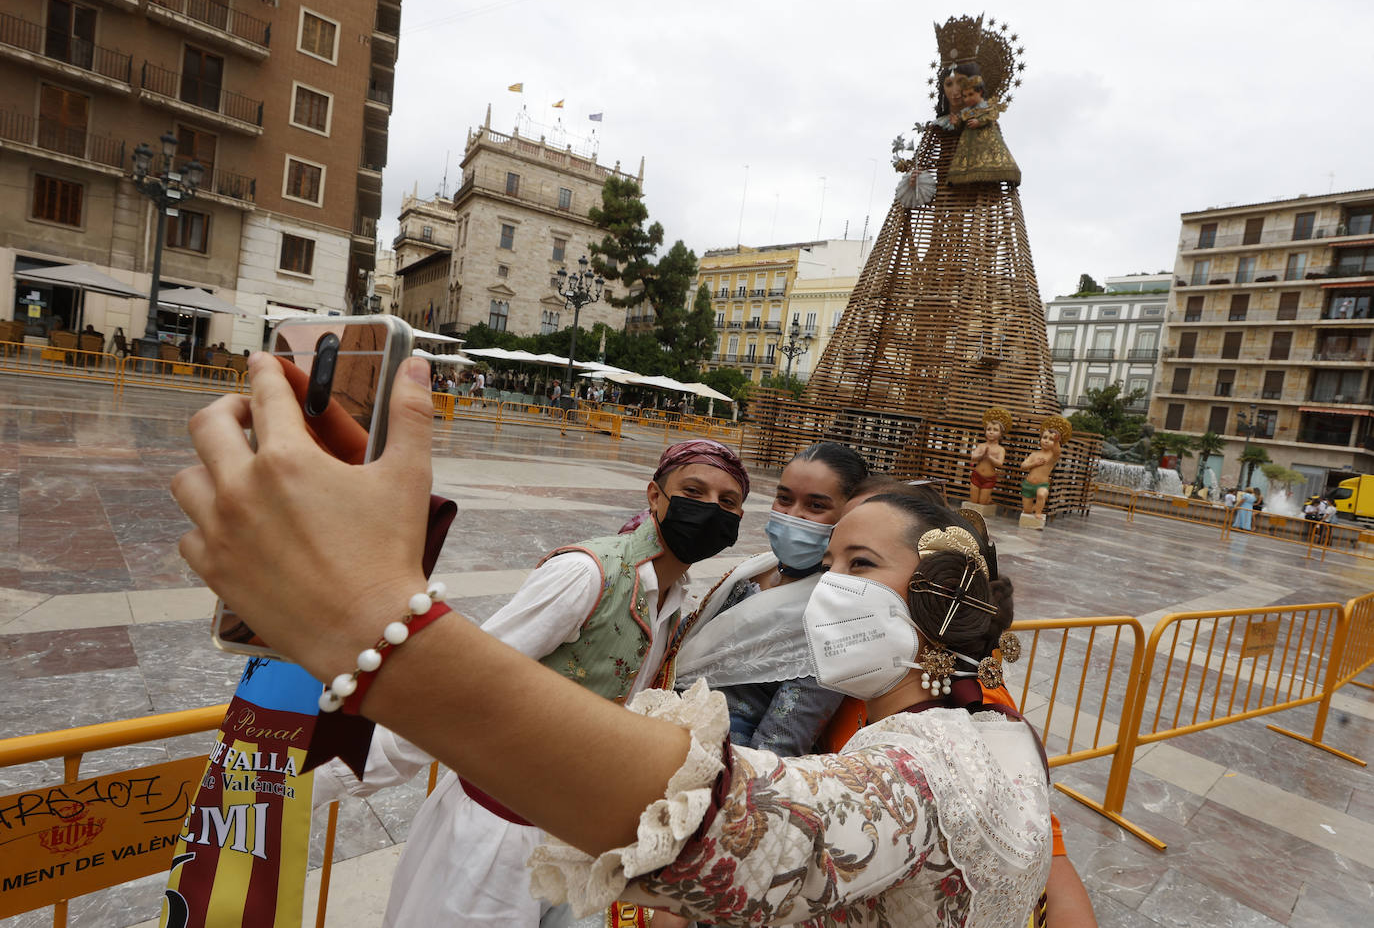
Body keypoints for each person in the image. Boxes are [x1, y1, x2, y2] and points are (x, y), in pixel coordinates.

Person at [172, 355, 1051, 927]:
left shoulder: (913, 770)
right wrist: (319, 772)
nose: (832, 587)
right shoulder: (1001, 734)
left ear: (942, 596)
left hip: (555, 828)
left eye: (857, 559)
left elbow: (724, 824)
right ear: (657, 492)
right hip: (502, 824)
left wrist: (374, 623)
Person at [310, 435, 749, 925]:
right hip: (493, 834)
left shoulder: (673, 601)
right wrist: (324, 778)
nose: (711, 509)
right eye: (694, 491)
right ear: (654, 496)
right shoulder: (587, 575)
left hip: (571, 845)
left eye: (728, 502)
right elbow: (460, 683)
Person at [672, 442, 870, 757]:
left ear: (850, 517)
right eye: (784, 499)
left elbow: (776, 749)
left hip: (716, 759)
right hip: (663, 720)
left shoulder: (835, 621)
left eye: (815, 506)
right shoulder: (753, 570)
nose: (793, 516)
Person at [1021, 415, 1072, 522]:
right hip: (1028, 484)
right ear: (1040, 439)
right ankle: (1033, 509)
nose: (1046, 441)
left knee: (1041, 494)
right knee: (1027, 510)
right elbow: (1023, 466)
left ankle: (1038, 512)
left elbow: (1058, 452)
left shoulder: (1052, 457)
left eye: (1051, 439)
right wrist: (1034, 464)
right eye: (1044, 438)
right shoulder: (1034, 454)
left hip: (1041, 485)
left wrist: (1057, 441)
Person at [968, 407, 1012, 505]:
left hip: (989, 478)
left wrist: (989, 457)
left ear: (1001, 434)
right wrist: (982, 455)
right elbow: (973, 457)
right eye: (989, 429)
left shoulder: (1000, 449)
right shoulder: (982, 446)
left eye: (995, 430)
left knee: (982, 502)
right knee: (974, 501)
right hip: (976, 476)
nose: (991, 432)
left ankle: (988, 499)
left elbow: (1000, 464)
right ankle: (988, 499)